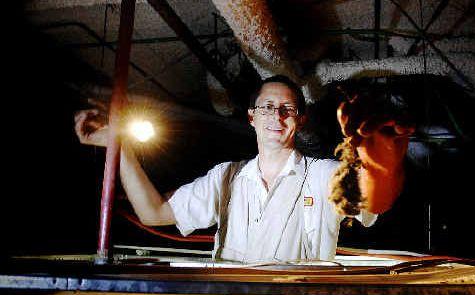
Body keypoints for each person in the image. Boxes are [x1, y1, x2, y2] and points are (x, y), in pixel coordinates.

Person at [75, 75, 413, 263]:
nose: (277, 116)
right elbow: (154, 212)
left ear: (300, 119)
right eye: (267, 107)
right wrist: (119, 146)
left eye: (287, 109)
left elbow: (374, 201)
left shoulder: (322, 174)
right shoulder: (225, 176)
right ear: (252, 117)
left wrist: (379, 153)